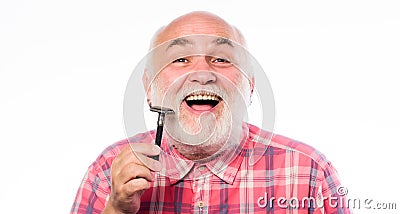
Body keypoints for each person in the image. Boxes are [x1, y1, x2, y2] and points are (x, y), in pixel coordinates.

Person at [71, 11, 351, 214]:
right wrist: (117, 210)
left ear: (249, 86)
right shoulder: (108, 170)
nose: (203, 73)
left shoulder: (307, 171)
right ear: (149, 86)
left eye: (220, 59)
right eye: (181, 59)